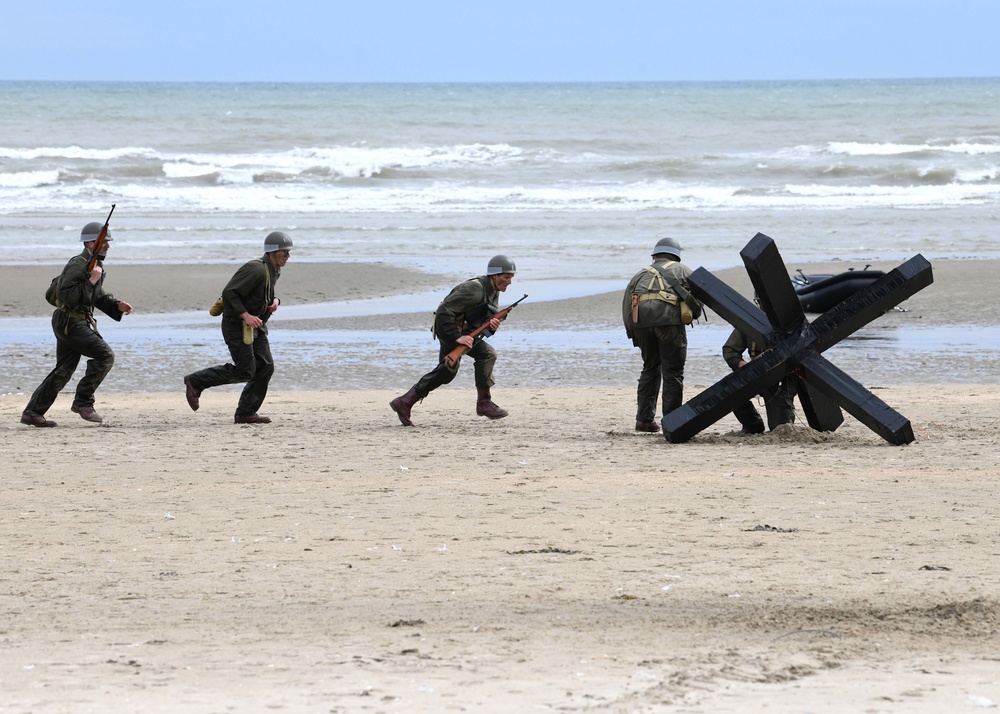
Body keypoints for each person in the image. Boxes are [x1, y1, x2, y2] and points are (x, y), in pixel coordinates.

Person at [21, 222, 133, 427]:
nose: (108, 245)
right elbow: (68, 296)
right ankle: (83, 403)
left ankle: (32, 413)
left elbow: (95, 296)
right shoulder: (78, 264)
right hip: (69, 321)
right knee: (105, 355)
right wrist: (91, 281)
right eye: (104, 241)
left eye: (108, 241)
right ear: (91, 243)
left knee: (63, 370)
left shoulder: (93, 264)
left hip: (73, 321)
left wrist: (116, 306)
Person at [390, 255, 516, 426]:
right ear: (495, 276)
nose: (509, 282)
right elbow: (443, 312)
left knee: (459, 367)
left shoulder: (493, 290)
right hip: (450, 330)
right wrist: (458, 338)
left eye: (511, 278)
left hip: (467, 333)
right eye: (506, 277)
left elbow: (479, 318)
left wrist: (491, 326)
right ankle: (483, 403)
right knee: (460, 366)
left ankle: (406, 401)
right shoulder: (474, 289)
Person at [183, 231, 292, 424]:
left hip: (255, 325)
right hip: (236, 324)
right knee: (246, 370)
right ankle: (196, 381)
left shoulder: (273, 269)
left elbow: (268, 293)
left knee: (266, 367)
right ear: (272, 252)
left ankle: (245, 412)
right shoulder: (255, 269)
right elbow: (229, 294)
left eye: (288, 253)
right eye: (285, 253)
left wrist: (275, 301)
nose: (288, 257)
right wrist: (246, 315)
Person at [622, 237, 702, 433]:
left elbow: (626, 306)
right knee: (673, 372)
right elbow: (698, 297)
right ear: (676, 256)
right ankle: (672, 422)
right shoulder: (682, 270)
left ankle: (644, 420)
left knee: (650, 368)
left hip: (641, 324)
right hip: (669, 324)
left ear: (655, 256)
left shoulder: (639, 275)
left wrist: (633, 333)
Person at [722, 328, 797, 434]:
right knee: (729, 388)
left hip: (780, 380)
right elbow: (730, 350)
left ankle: (787, 411)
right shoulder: (748, 322)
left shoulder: (787, 323)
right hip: (755, 375)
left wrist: (787, 392)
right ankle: (752, 424)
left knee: (780, 429)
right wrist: (745, 367)